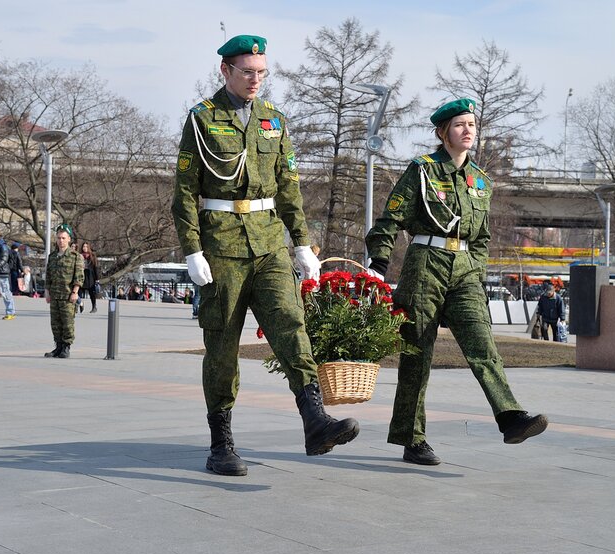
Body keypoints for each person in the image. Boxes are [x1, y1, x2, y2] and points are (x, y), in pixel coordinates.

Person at [171, 34, 359, 476]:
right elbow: (183, 192)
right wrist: (192, 249)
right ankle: (221, 443)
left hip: (270, 241)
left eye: (261, 72)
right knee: (221, 347)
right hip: (221, 246)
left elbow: (288, 186)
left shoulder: (274, 119)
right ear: (226, 71)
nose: (256, 80)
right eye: (247, 72)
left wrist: (301, 242)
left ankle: (315, 421)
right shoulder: (202, 119)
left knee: (291, 327)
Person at [365, 98, 548, 466]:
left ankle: (509, 417)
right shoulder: (421, 171)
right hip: (425, 266)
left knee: (482, 344)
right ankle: (412, 439)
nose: (469, 131)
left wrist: (474, 268)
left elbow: (482, 237)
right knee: (417, 355)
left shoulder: (481, 181)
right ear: (443, 132)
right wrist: (378, 263)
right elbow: (390, 220)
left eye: (472, 125)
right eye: (461, 125)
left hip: (464, 271)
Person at [44, 224, 84, 358]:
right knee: (55, 323)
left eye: (63, 238)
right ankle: (58, 346)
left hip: (68, 295)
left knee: (67, 323)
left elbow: (79, 276)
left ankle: (66, 347)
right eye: (59, 238)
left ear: (69, 239)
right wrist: (47, 291)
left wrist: (75, 292)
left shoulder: (75, 256)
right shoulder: (53, 256)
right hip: (55, 294)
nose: (61, 240)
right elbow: (48, 275)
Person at [79, 241, 100, 313]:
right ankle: (80, 304)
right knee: (79, 292)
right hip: (82, 276)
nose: (84, 248)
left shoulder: (92, 256)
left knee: (92, 293)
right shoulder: (79, 256)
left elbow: (95, 267)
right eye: (83, 247)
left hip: (90, 277)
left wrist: (97, 279)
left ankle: (94, 307)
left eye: (86, 247)